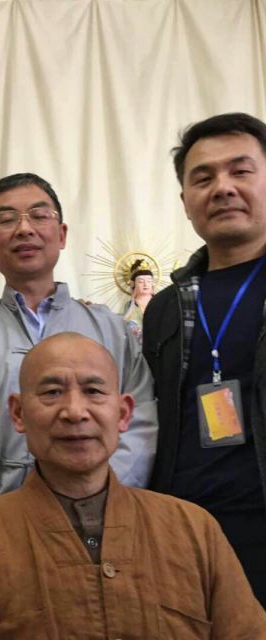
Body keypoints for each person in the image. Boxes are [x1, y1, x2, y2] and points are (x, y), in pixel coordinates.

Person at [0, 173, 158, 617]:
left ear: (61, 235)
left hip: (102, 533)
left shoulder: (109, 328)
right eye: (7, 219)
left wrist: (95, 503)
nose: (25, 229)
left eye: (39, 216)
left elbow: (138, 425)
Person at [0, 333, 266, 639]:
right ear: (18, 413)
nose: (75, 412)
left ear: (123, 414)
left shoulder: (192, 529)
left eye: (93, 391)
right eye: (52, 392)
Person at [143, 112, 266, 608]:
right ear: (185, 201)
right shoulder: (166, 307)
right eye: (203, 177)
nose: (223, 188)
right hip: (183, 538)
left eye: (241, 171)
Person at [122, 259, 154, 342]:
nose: (145, 284)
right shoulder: (130, 305)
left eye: (149, 281)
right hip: (137, 344)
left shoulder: (159, 303)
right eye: (141, 281)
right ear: (134, 284)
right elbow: (127, 328)